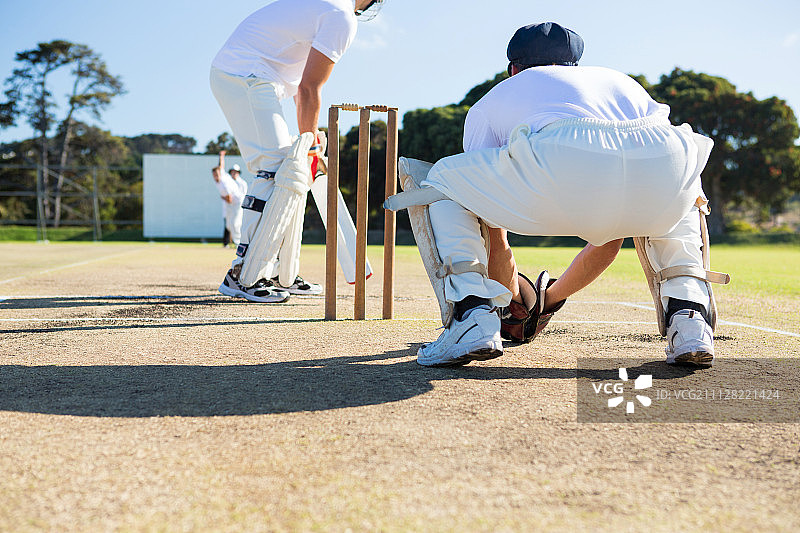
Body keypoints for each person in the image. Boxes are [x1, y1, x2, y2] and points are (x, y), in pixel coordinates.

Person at [389, 22, 728, 368]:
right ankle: (690, 321)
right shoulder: (618, 83)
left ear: (513, 70)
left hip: (556, 156)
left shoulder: (495, 99)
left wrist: (510, 301)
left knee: (444, 179)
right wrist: (547, 300)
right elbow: (610, 241)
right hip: (664, 152)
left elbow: (494, 234)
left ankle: (472, 315)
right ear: (575, 68)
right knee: (680, 193)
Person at [210, 0, 385, 303]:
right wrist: (310, 139)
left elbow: (300, 89)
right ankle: (243, 272)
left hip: (253, 76)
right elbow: (308, 88)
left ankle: (280, 272)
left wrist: (309, 138)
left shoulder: (325, 6)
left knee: (293, 170)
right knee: (277, 168)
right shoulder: (342, 16)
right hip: (245, 75)